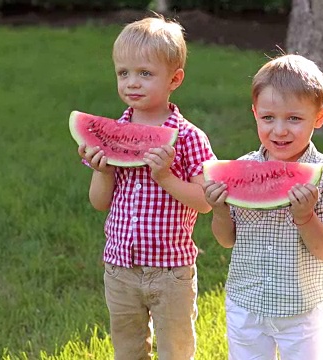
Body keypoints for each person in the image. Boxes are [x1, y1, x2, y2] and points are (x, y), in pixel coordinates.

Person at [77, 15, 216, 360]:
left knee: (177, 350)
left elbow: (204, 202)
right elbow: (98, 203)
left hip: (172, 272)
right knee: (127, 350)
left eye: (145, 73)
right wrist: (103, 170)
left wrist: (167, 177)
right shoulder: (111, 133)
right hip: (120, 267)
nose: (132, 83)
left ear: (175, 79)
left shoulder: (189, 137)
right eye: (123, 73)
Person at [203, 54, 323, 359]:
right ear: (255, 114)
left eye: (294, 118)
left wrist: (306, 216)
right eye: (268, 118)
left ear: (319, 118)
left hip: (302, 308)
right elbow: (227, 240)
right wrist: (218, 209)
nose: (279, 130)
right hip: (246, 303)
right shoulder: (241, 168)